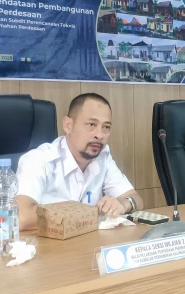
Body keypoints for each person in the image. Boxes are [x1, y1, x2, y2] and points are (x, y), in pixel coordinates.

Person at [15, 93, 144, 230]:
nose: (99, 135)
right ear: (68, 125)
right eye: (91, 124)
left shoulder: (103, 157)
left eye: (106, 127)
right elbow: (22, 217)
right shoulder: (38, 160)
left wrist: (123, 204)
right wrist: (87, 213)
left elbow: (136, 199)